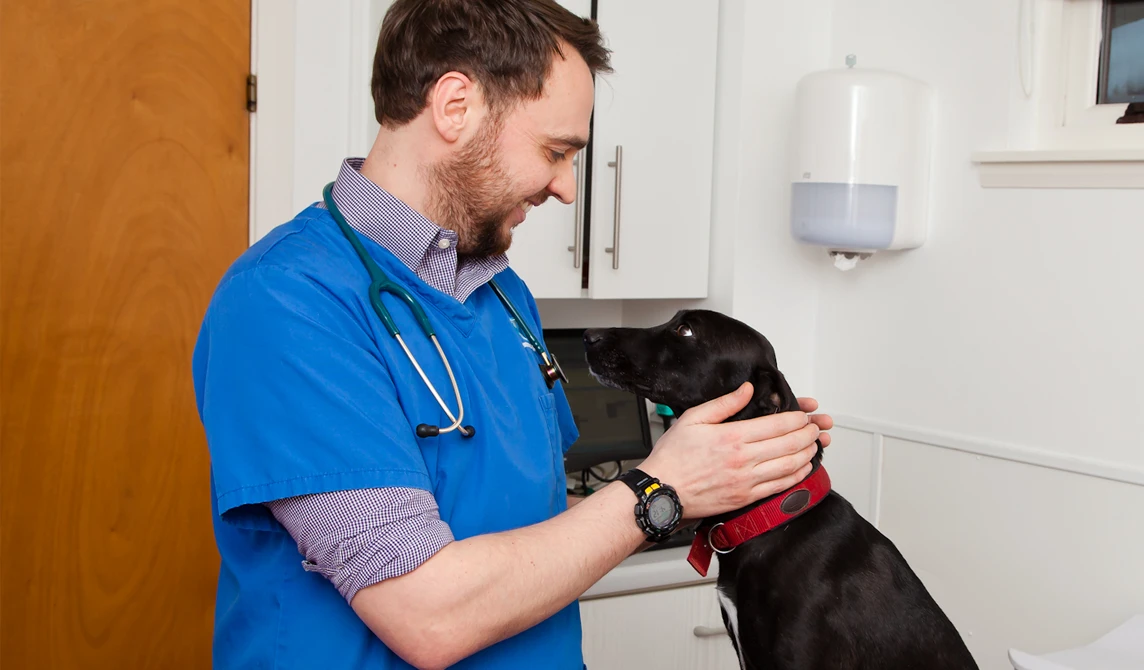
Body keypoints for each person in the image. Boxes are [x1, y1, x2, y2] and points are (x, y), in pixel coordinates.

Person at [191, 1, 833, 668]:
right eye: (556, 151)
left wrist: (725, 476)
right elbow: (427, 615)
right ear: (455, 106)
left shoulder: (502, 293)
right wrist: (661, 490)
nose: (567, 189)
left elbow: (537, 512)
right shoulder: (285, 301)